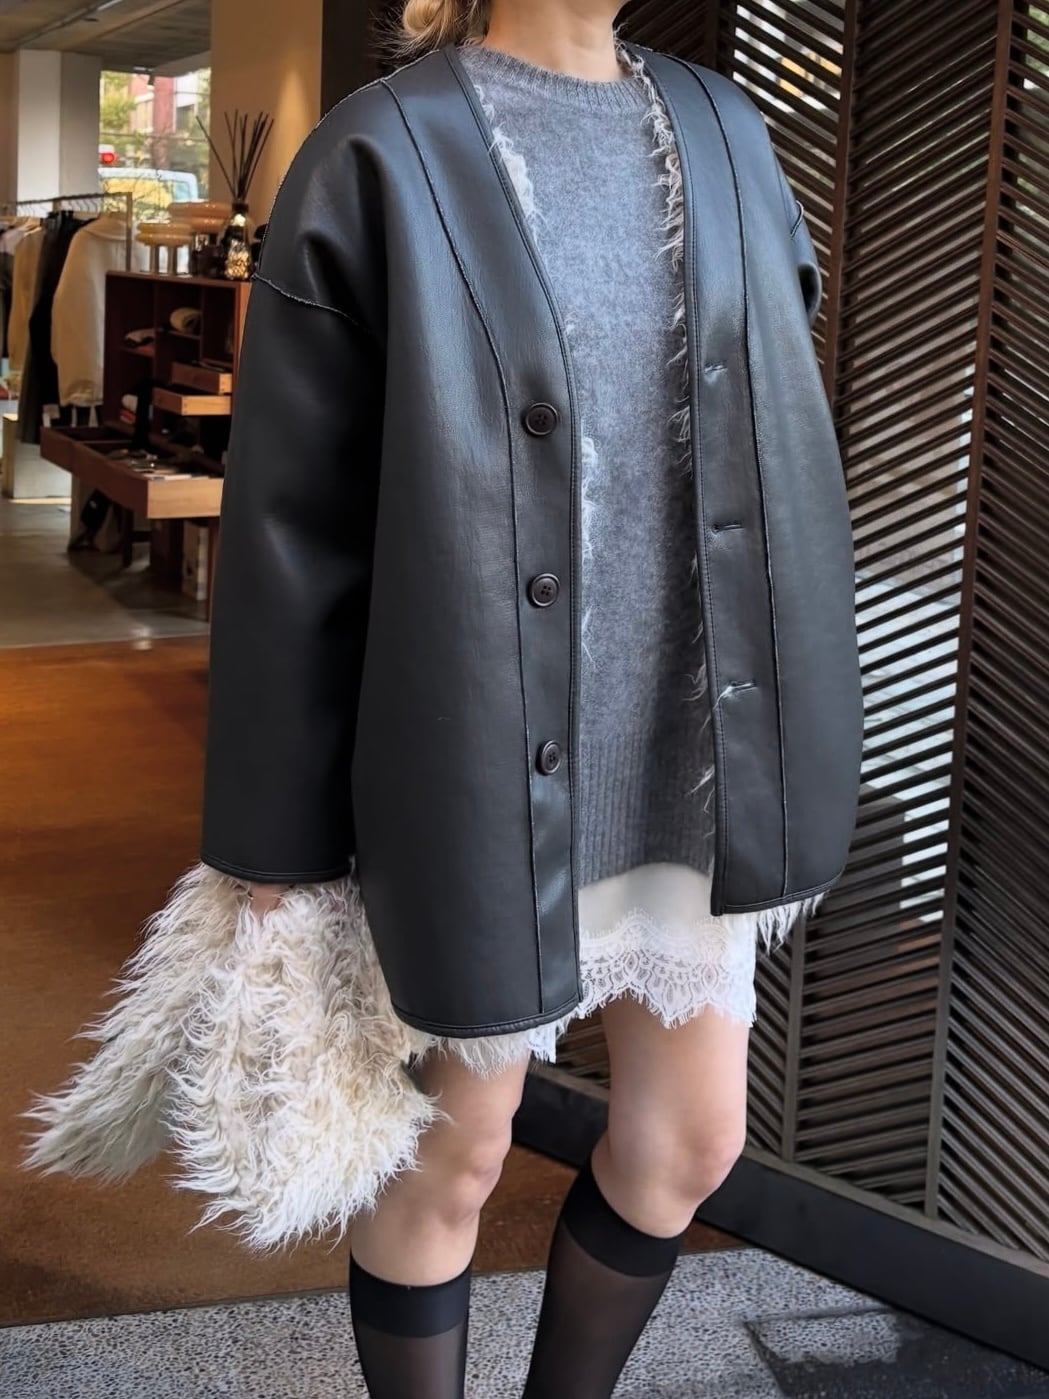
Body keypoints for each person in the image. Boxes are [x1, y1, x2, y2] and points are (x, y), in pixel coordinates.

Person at [27, 1, 862, 1395]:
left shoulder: (723, 128)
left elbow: (766, 412)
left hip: (686, 748)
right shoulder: (383, 150)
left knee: (688, 1144)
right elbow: (293, 530)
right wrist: (275, 847)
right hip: (480, 753)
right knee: (455, 1153)